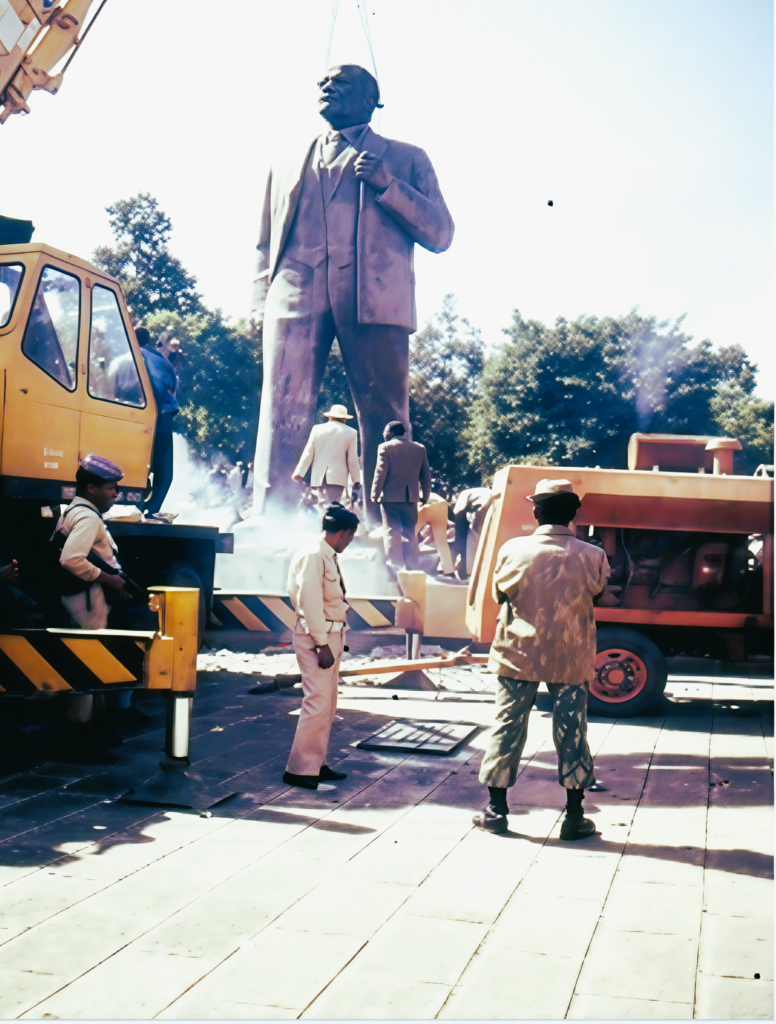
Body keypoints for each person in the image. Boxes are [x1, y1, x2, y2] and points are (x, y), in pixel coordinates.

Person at [251, 64, 454, 524]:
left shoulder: (405, 158)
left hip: (375, 299)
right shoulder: (284, 164)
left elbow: (441, 232)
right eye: (322, 83)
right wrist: (257, 301)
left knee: (386, 417)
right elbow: (264, 243)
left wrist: (387, 184)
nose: (326, 88)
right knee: (281, 405)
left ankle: (389, 529)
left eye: (340, 83)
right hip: (293, 296)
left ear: (371, 99)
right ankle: (271, 514)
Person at [474, 479, 610, 841]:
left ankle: (495, 811)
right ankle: (574, 817)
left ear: (536, 511)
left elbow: (498, 594)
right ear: (573, 514)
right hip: (571, 655)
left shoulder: (512, 549)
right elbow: (598, 592)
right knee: (572, 731)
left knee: (508, 725)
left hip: (518, 654)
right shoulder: (592, 555)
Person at [283, 503, 360, 790]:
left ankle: (316, 763)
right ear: (341, 532)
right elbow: (310, 604)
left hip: (331, 635)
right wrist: (321, 644)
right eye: (351, 535)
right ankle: (299, 769)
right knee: (316, 702)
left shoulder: (325, 553)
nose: (351, 541)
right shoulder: (314, 555)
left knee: (327, 704)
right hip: (319, 637)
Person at [53, 456, 130, 630]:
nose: (115, 493)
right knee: (94, 648)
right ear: (91, 489)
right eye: (111, 488)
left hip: (83, 597)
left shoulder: (75, 510)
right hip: (88, 601)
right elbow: (71, 560)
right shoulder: (88, 517)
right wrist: (110, 579)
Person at [371, 421, 431, 578]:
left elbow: (380, 472)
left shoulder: (385, 447)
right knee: (410, 532)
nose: (384, 435)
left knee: (392, 532)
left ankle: (395, 569)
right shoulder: (419, 448)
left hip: (390, 498)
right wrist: (425, 495)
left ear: (390, 432)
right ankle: (413, 569)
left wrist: (375, 493)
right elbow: (425, 475)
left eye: (385, 432)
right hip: (411, 498)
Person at [135, 326, 178, 516]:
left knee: (137, 464)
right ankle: (150, 510)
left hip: (133, 416)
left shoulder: (126, 358)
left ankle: (140, 504)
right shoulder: (161, 361)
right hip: (162, 415)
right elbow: (172, 387)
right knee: (165, 471)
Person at [293, 404, 360, 505]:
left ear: (330, 416)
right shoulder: (351, 432)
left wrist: (299, 472)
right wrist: (356, 480)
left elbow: (308, 452)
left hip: (319, 475)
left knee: (322, 504)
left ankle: (322, 520)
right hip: (337, 476)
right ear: (344, 419)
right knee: (333, 505)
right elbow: (352, 460)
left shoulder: (317, 429)